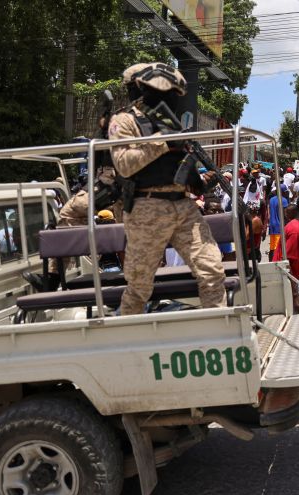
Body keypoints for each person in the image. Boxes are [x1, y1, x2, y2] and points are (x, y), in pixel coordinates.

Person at [108, 62, 225, 314]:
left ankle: (218, 331)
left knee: (212, 270)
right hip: (146, 206)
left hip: (183, 206)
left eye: (172, 93)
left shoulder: (173, 125)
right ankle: (125, 341)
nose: (169, 98)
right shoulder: (124, 121)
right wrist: (162, 143)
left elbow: (185, 173)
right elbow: (124, 165)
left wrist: (202, 181)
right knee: (139, 286)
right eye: (161, 91)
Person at [268, 185, 289, 261]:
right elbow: (285, 215)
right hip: (279, 226)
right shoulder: (284, 200)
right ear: (283, 192)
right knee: (278, 249)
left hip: (272, 226)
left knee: (272, 248)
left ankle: (270, 262)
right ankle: (275, 264)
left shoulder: (271, 200)